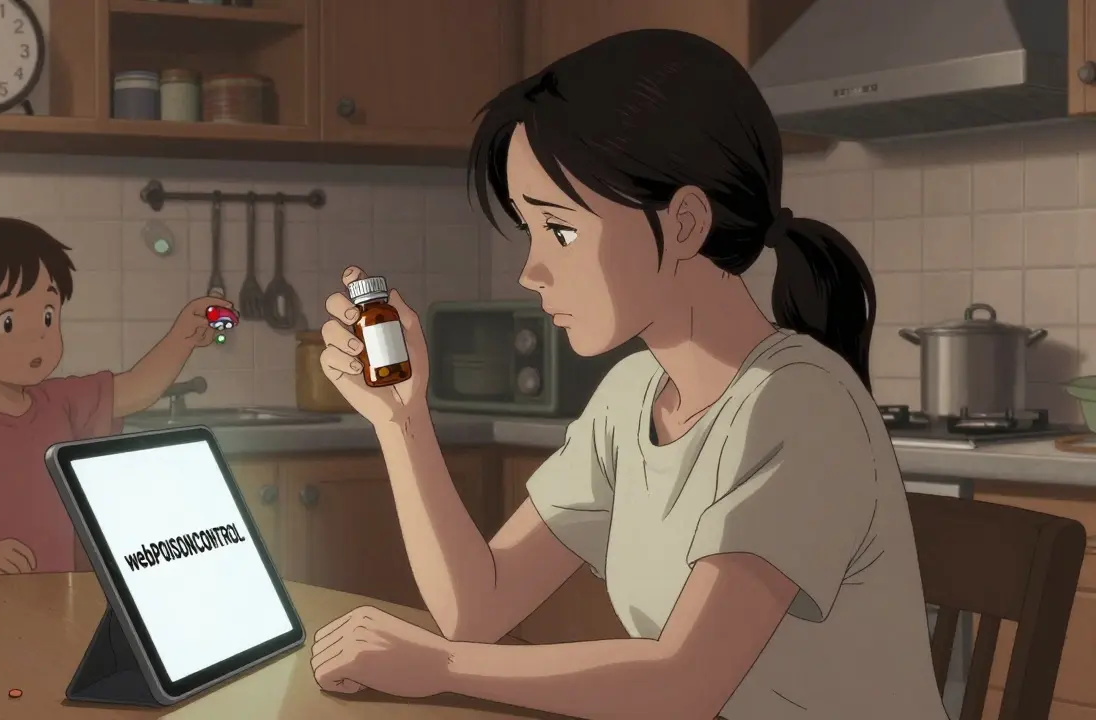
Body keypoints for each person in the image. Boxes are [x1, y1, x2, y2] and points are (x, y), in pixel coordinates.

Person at [307, 29, 948, 720]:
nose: (531, 271)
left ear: (684, 225)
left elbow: (683, 683)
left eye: (561, 230)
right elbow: (477, 606)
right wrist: (404, 422)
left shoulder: (799, 401)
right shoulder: (631, 398)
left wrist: (441, 668)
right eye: (528, 228)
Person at [0, 218, 232, 575]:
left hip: (56, 603)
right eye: (7, 322)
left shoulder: (62, 403)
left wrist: (184, 336)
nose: (39, 332)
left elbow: (139, 387)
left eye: (48, 315)